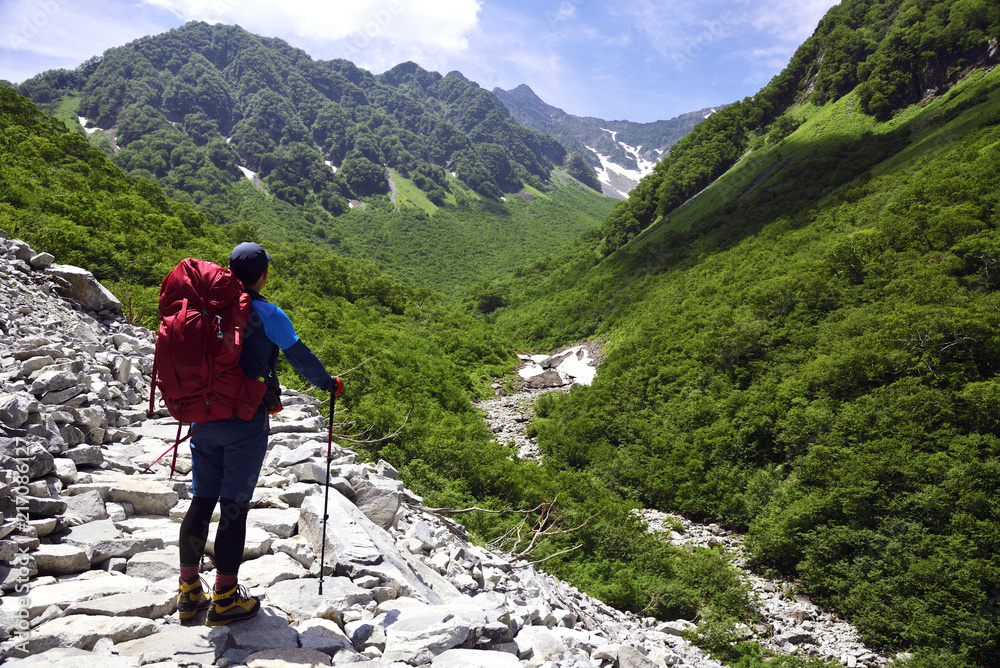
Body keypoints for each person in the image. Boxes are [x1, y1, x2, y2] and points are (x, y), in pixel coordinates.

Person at [176, 241, 338, 626]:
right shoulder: (268, 313)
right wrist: (330, 385)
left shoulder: (207, 308)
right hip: (245, 421)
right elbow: (303, 361)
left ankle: (188, 592)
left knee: (201, 501)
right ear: (263, 275)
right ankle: (226, 598)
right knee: (233, 506)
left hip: (203, 416)